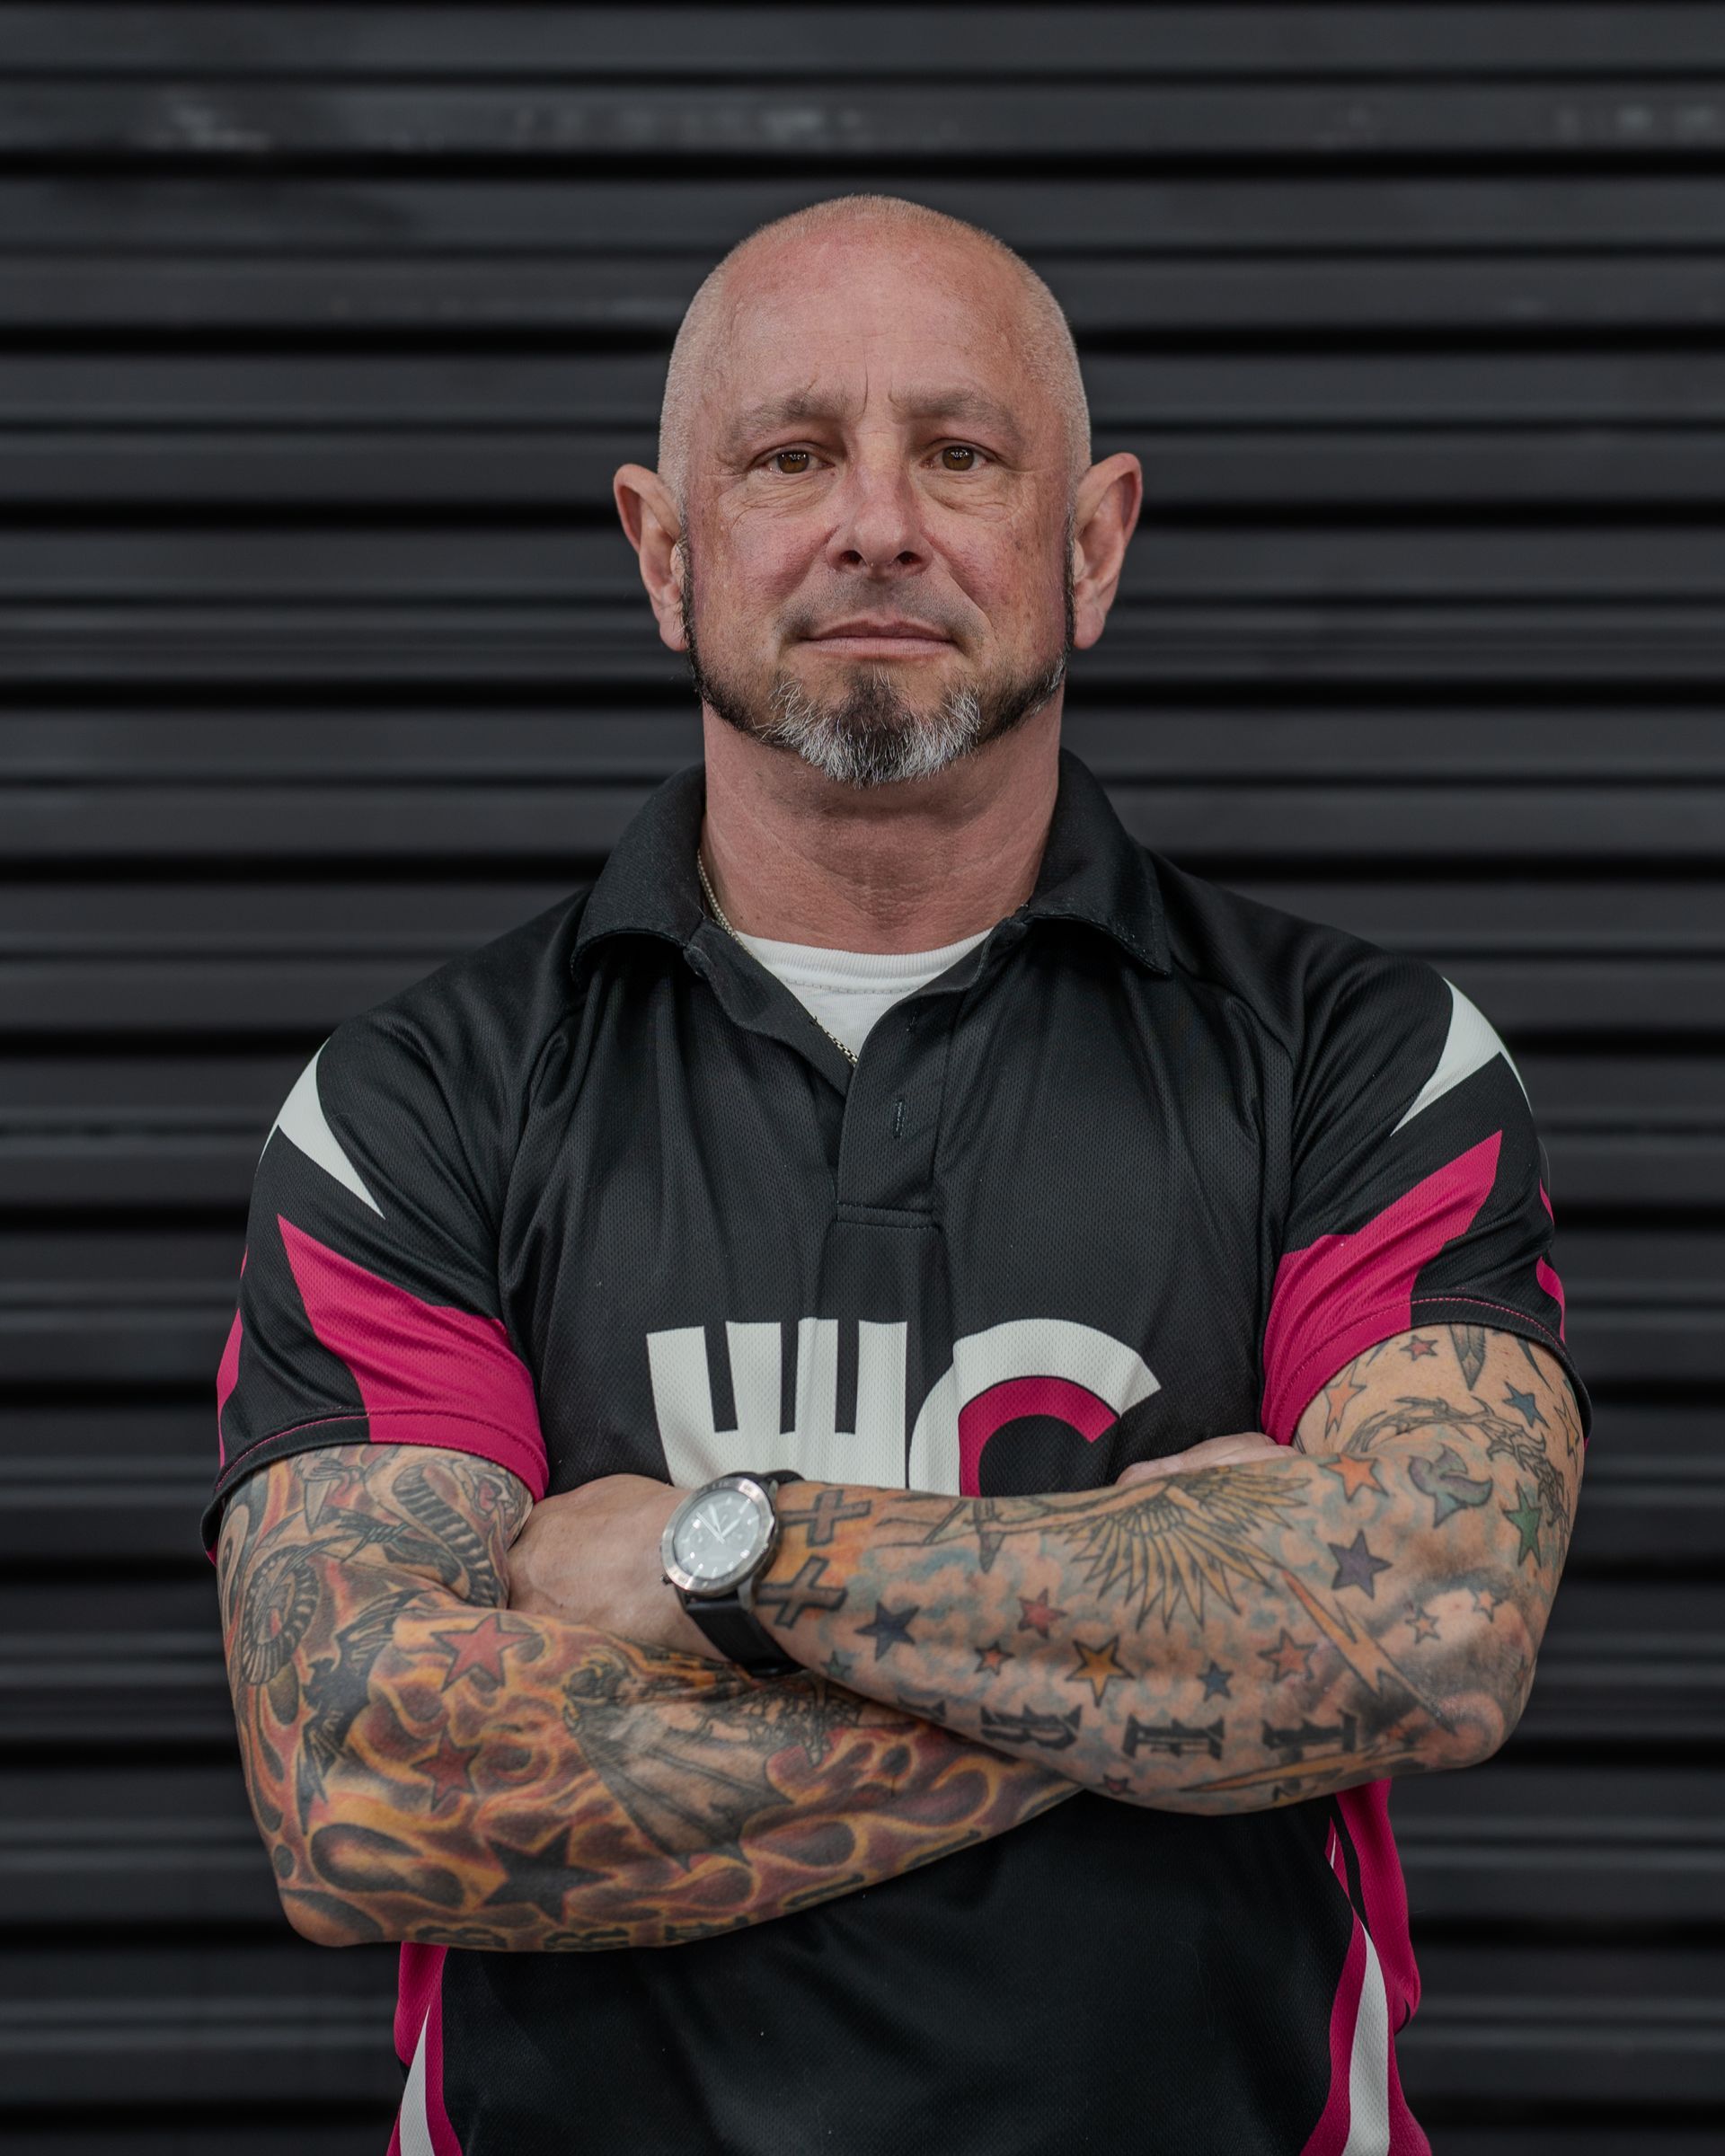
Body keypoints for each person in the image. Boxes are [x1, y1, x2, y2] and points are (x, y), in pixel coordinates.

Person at [208, 194, 1588, 2156]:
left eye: (957, 452)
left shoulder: (1357, 1063)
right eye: (792, 457)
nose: (877, 523)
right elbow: (368, 1787)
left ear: (1088, 544)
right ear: (663, 553)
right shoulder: (417, 1107)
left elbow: (1429, 1627)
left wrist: (723, 1559)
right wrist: (1178, 1661)